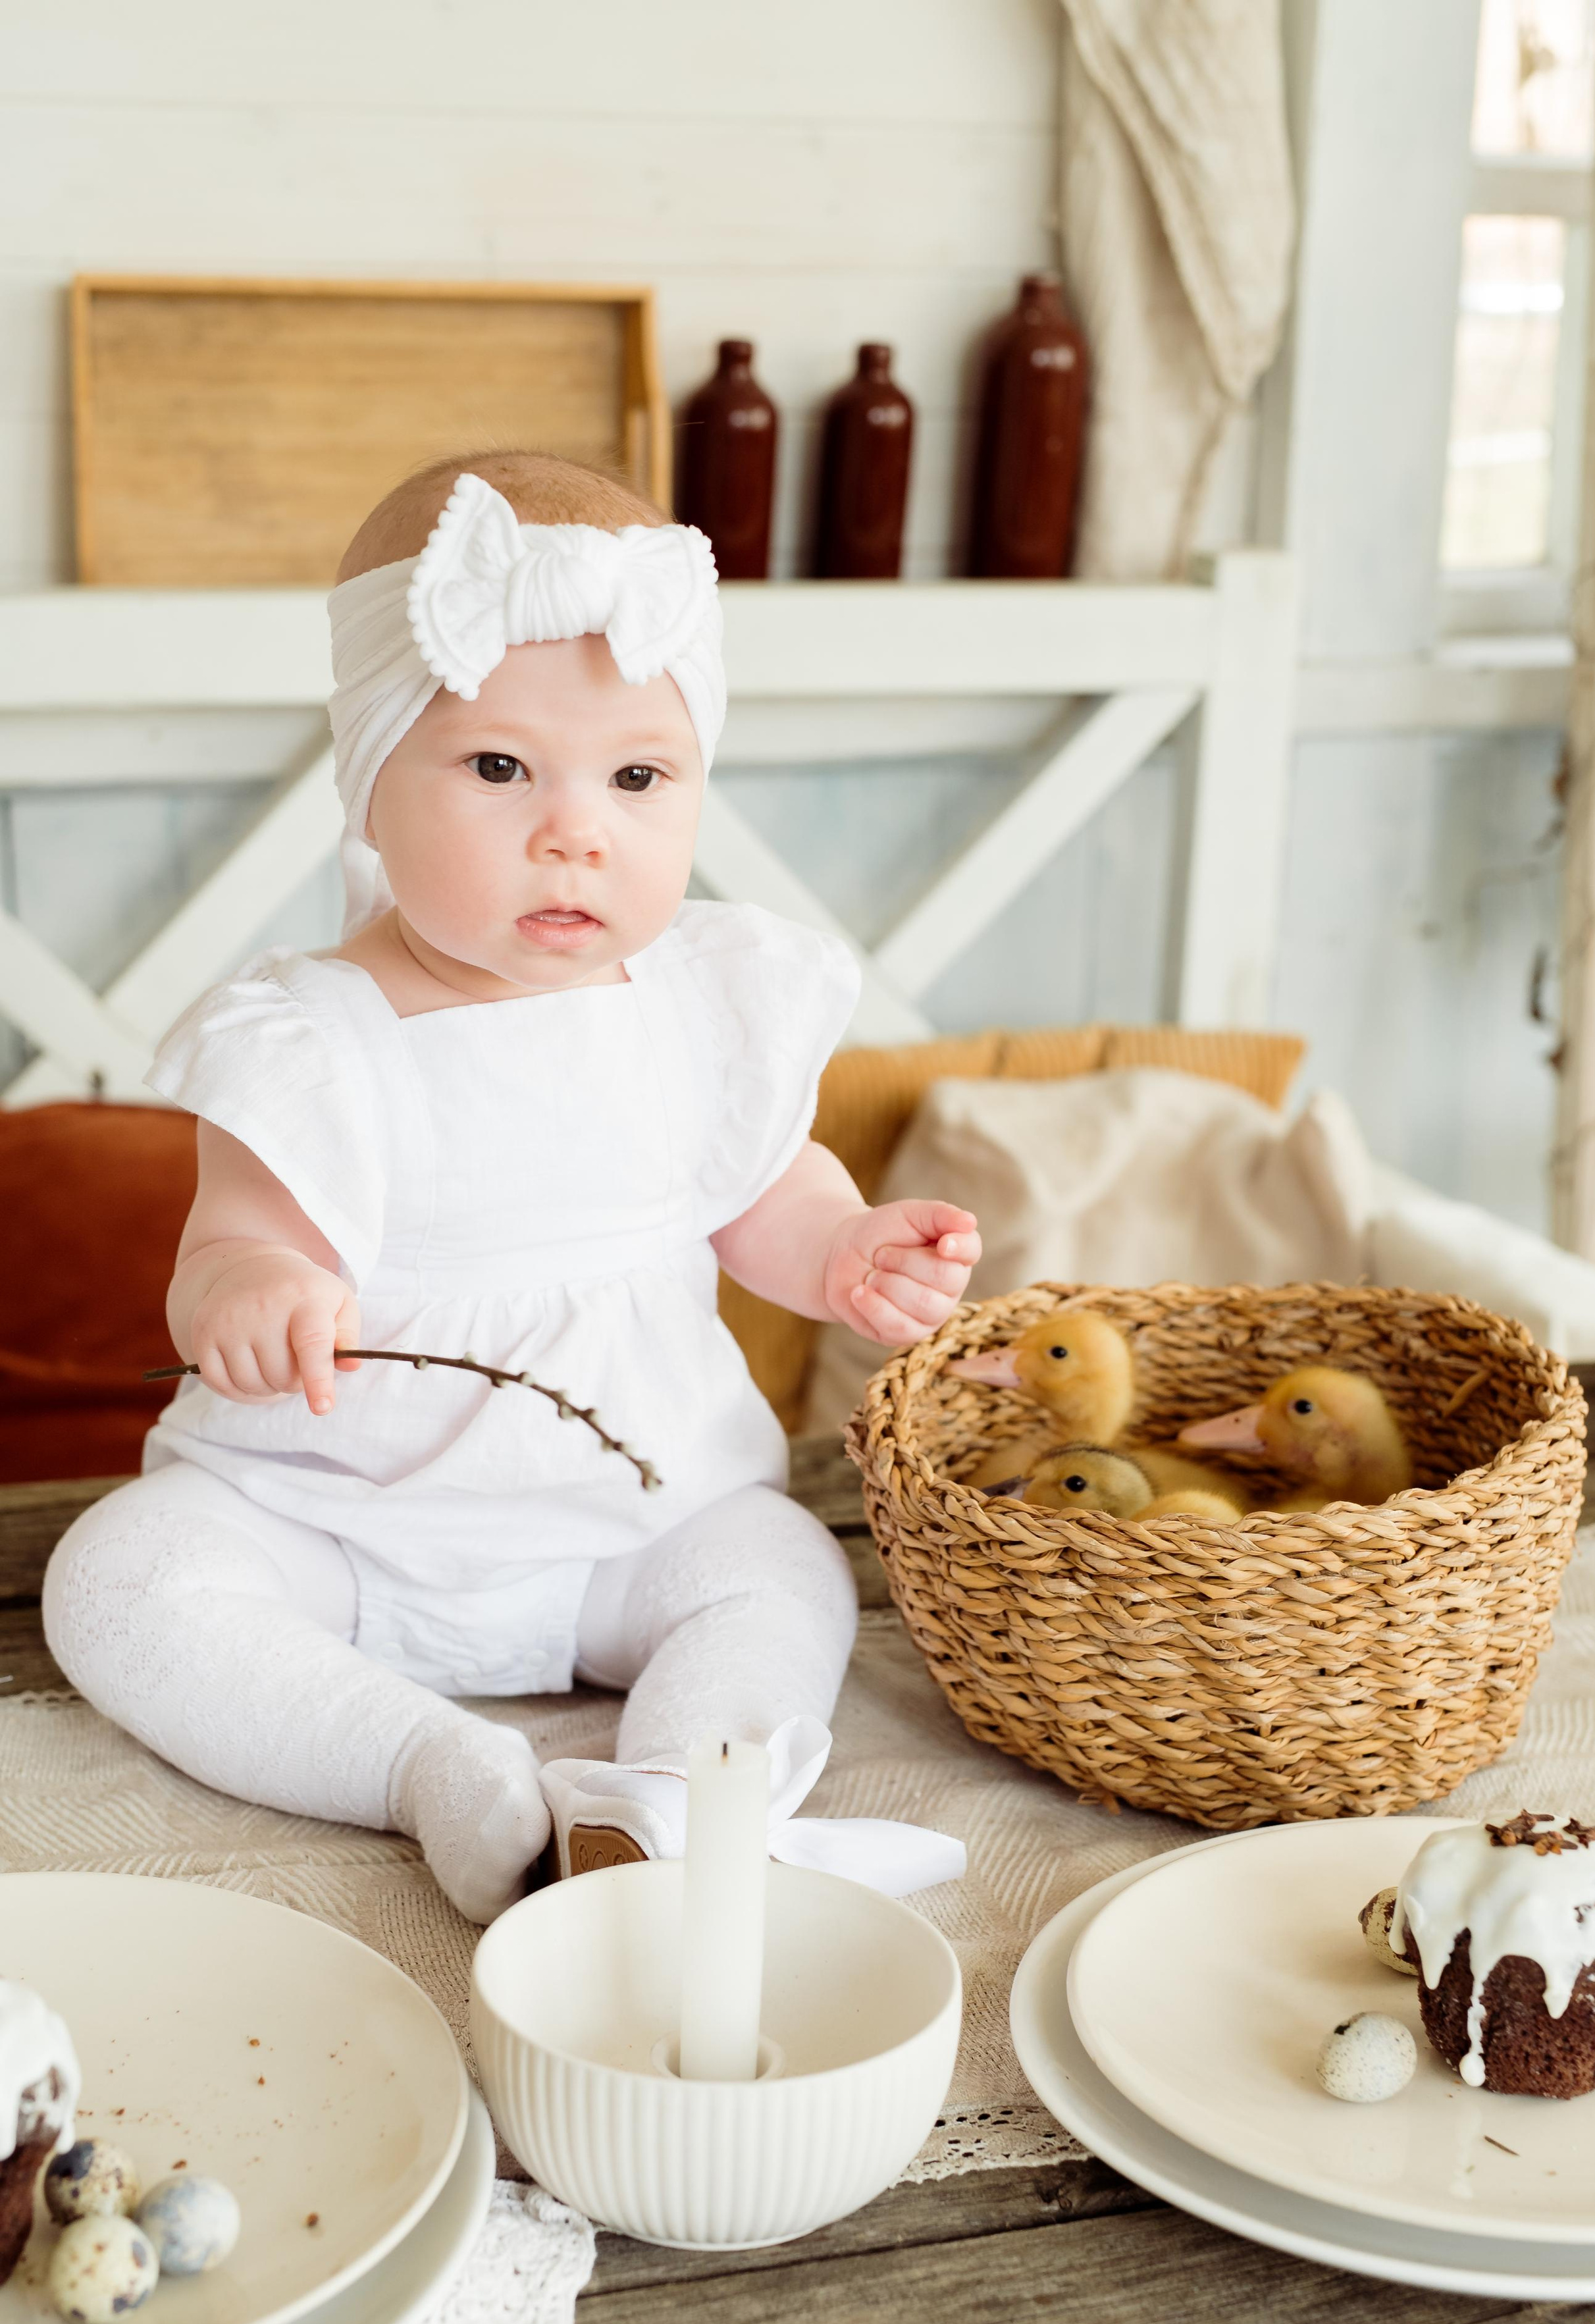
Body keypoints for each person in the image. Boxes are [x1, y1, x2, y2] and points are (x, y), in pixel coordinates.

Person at [44, 451, 979, 1922]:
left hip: (628, 1530)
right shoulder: (308, 1037)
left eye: (636, 777)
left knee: (779, 1566)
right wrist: (251, 1294)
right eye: (497, 769)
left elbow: (761, 1196)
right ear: (370, 783)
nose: (574, 829)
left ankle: (668, 1799)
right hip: (336, 1536)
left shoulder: (696, 1007)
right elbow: (229, 1238)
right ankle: (421, 1764)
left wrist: (844, 1251)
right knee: (117, 1581)